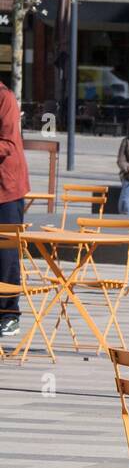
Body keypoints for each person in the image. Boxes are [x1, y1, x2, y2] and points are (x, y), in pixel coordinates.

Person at [0, 78, 30, 339]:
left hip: (7, 188)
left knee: (6, 253)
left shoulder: (5, 98)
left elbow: (8, 144)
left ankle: (9, 314)